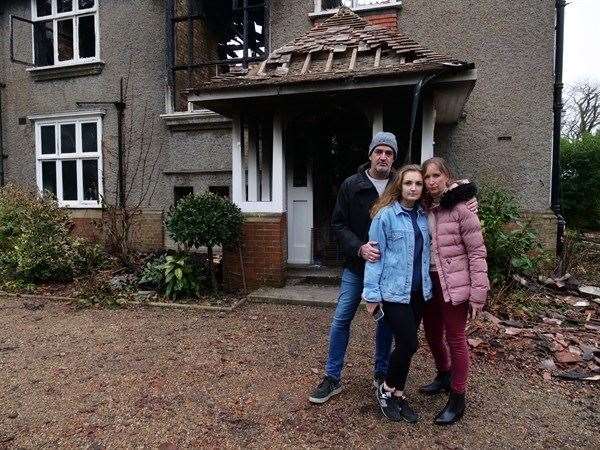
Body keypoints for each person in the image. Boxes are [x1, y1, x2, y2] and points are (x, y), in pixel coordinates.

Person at [308, 132, 398, 404]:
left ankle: (381, 374)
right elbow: (338, 224)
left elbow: (430, 193)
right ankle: (332, 377)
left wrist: (465, 198)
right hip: (356, 267)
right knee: (341, 318)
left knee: (386, 323)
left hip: (389, 270)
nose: (383, 157)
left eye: (389, 153)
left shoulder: (400, 184)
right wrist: (359, 247)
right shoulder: (351, 184)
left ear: (394, 158)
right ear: (370, 154)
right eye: (379, 151)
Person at [419, 157, 489, 425]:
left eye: (437, 175)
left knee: (455, 338)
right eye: (428, 177)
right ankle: (443, 374)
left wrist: (478, 293)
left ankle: (458, 397)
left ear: (447, 177)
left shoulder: (461, 208)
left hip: (455, 284)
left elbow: (477, 252)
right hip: (429, 283)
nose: (432, 181)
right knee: (432, 334)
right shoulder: (424, 207)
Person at [362, 164, 432, 423]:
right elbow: (374, 257)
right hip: (392, 293)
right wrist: (371, 295)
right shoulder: (385, 216)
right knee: (410, 342)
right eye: (408, 183)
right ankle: (385, 389)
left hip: (418, 292)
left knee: (406, 347)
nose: (413, 188)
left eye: (418, 184)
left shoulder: (424, 216)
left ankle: (398, 395)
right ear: (399, 186)